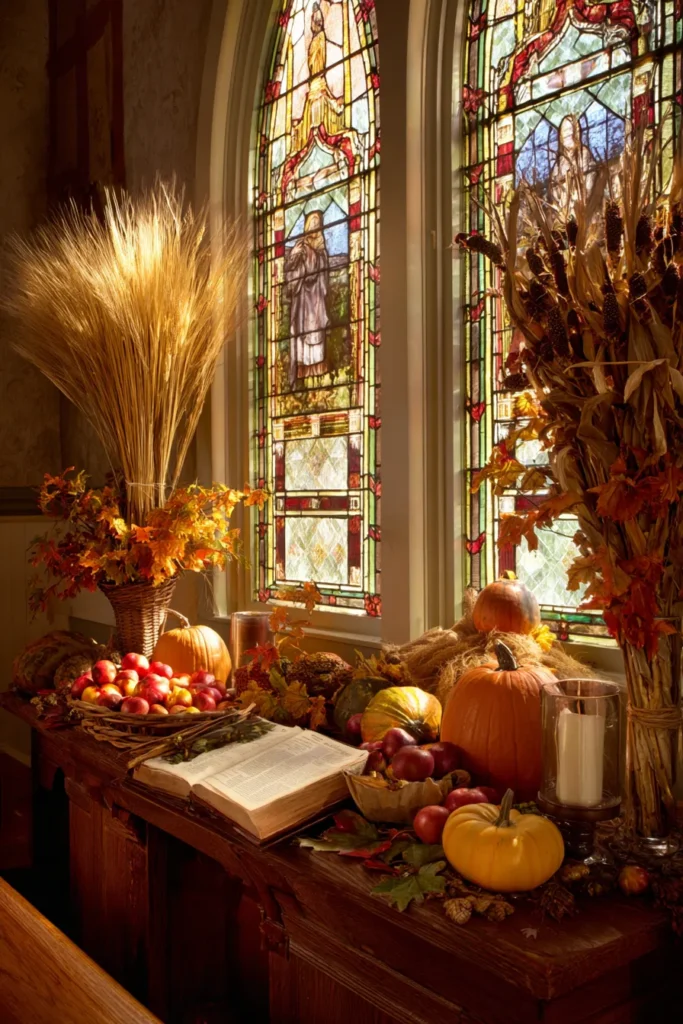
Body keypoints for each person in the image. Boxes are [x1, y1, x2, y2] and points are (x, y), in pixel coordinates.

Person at [286, 210, 329, 385]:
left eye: (316, 223)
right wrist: (296, 254)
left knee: (315, 332)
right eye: (311, 223)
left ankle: (318, 375)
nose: (313, 226)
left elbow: (322, 268)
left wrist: (314, 258)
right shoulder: (300, 244)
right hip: (303, 298)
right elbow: (290, 266)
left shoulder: (321, 247)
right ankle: (303, 374)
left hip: (316, 298)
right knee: (302, 332)